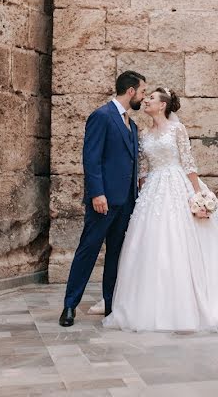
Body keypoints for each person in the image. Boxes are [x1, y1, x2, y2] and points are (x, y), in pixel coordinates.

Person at [100, 87, 218, 332]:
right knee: (150, 243)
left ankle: (198, 301)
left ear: (163, 105)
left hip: (178, 184)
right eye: (146, 97)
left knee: (184, 239)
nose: (145, 101)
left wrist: (198, 194)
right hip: (152, 192)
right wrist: (142, 189)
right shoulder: (143, 133)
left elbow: (188, 163)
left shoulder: (177, 129)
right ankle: (150, 305)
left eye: (151, 98)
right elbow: (143, 168)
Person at [59, 71, 147, 327]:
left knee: (116, 255)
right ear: (130, 91)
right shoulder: (102, 116)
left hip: (127, 202)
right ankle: (69, 305)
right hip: (104, 201)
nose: (142, 96)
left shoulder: (132, 125)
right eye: (142, 91)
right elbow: (91, 158)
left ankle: (110, 303)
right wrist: (97, 193)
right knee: (88, 250)